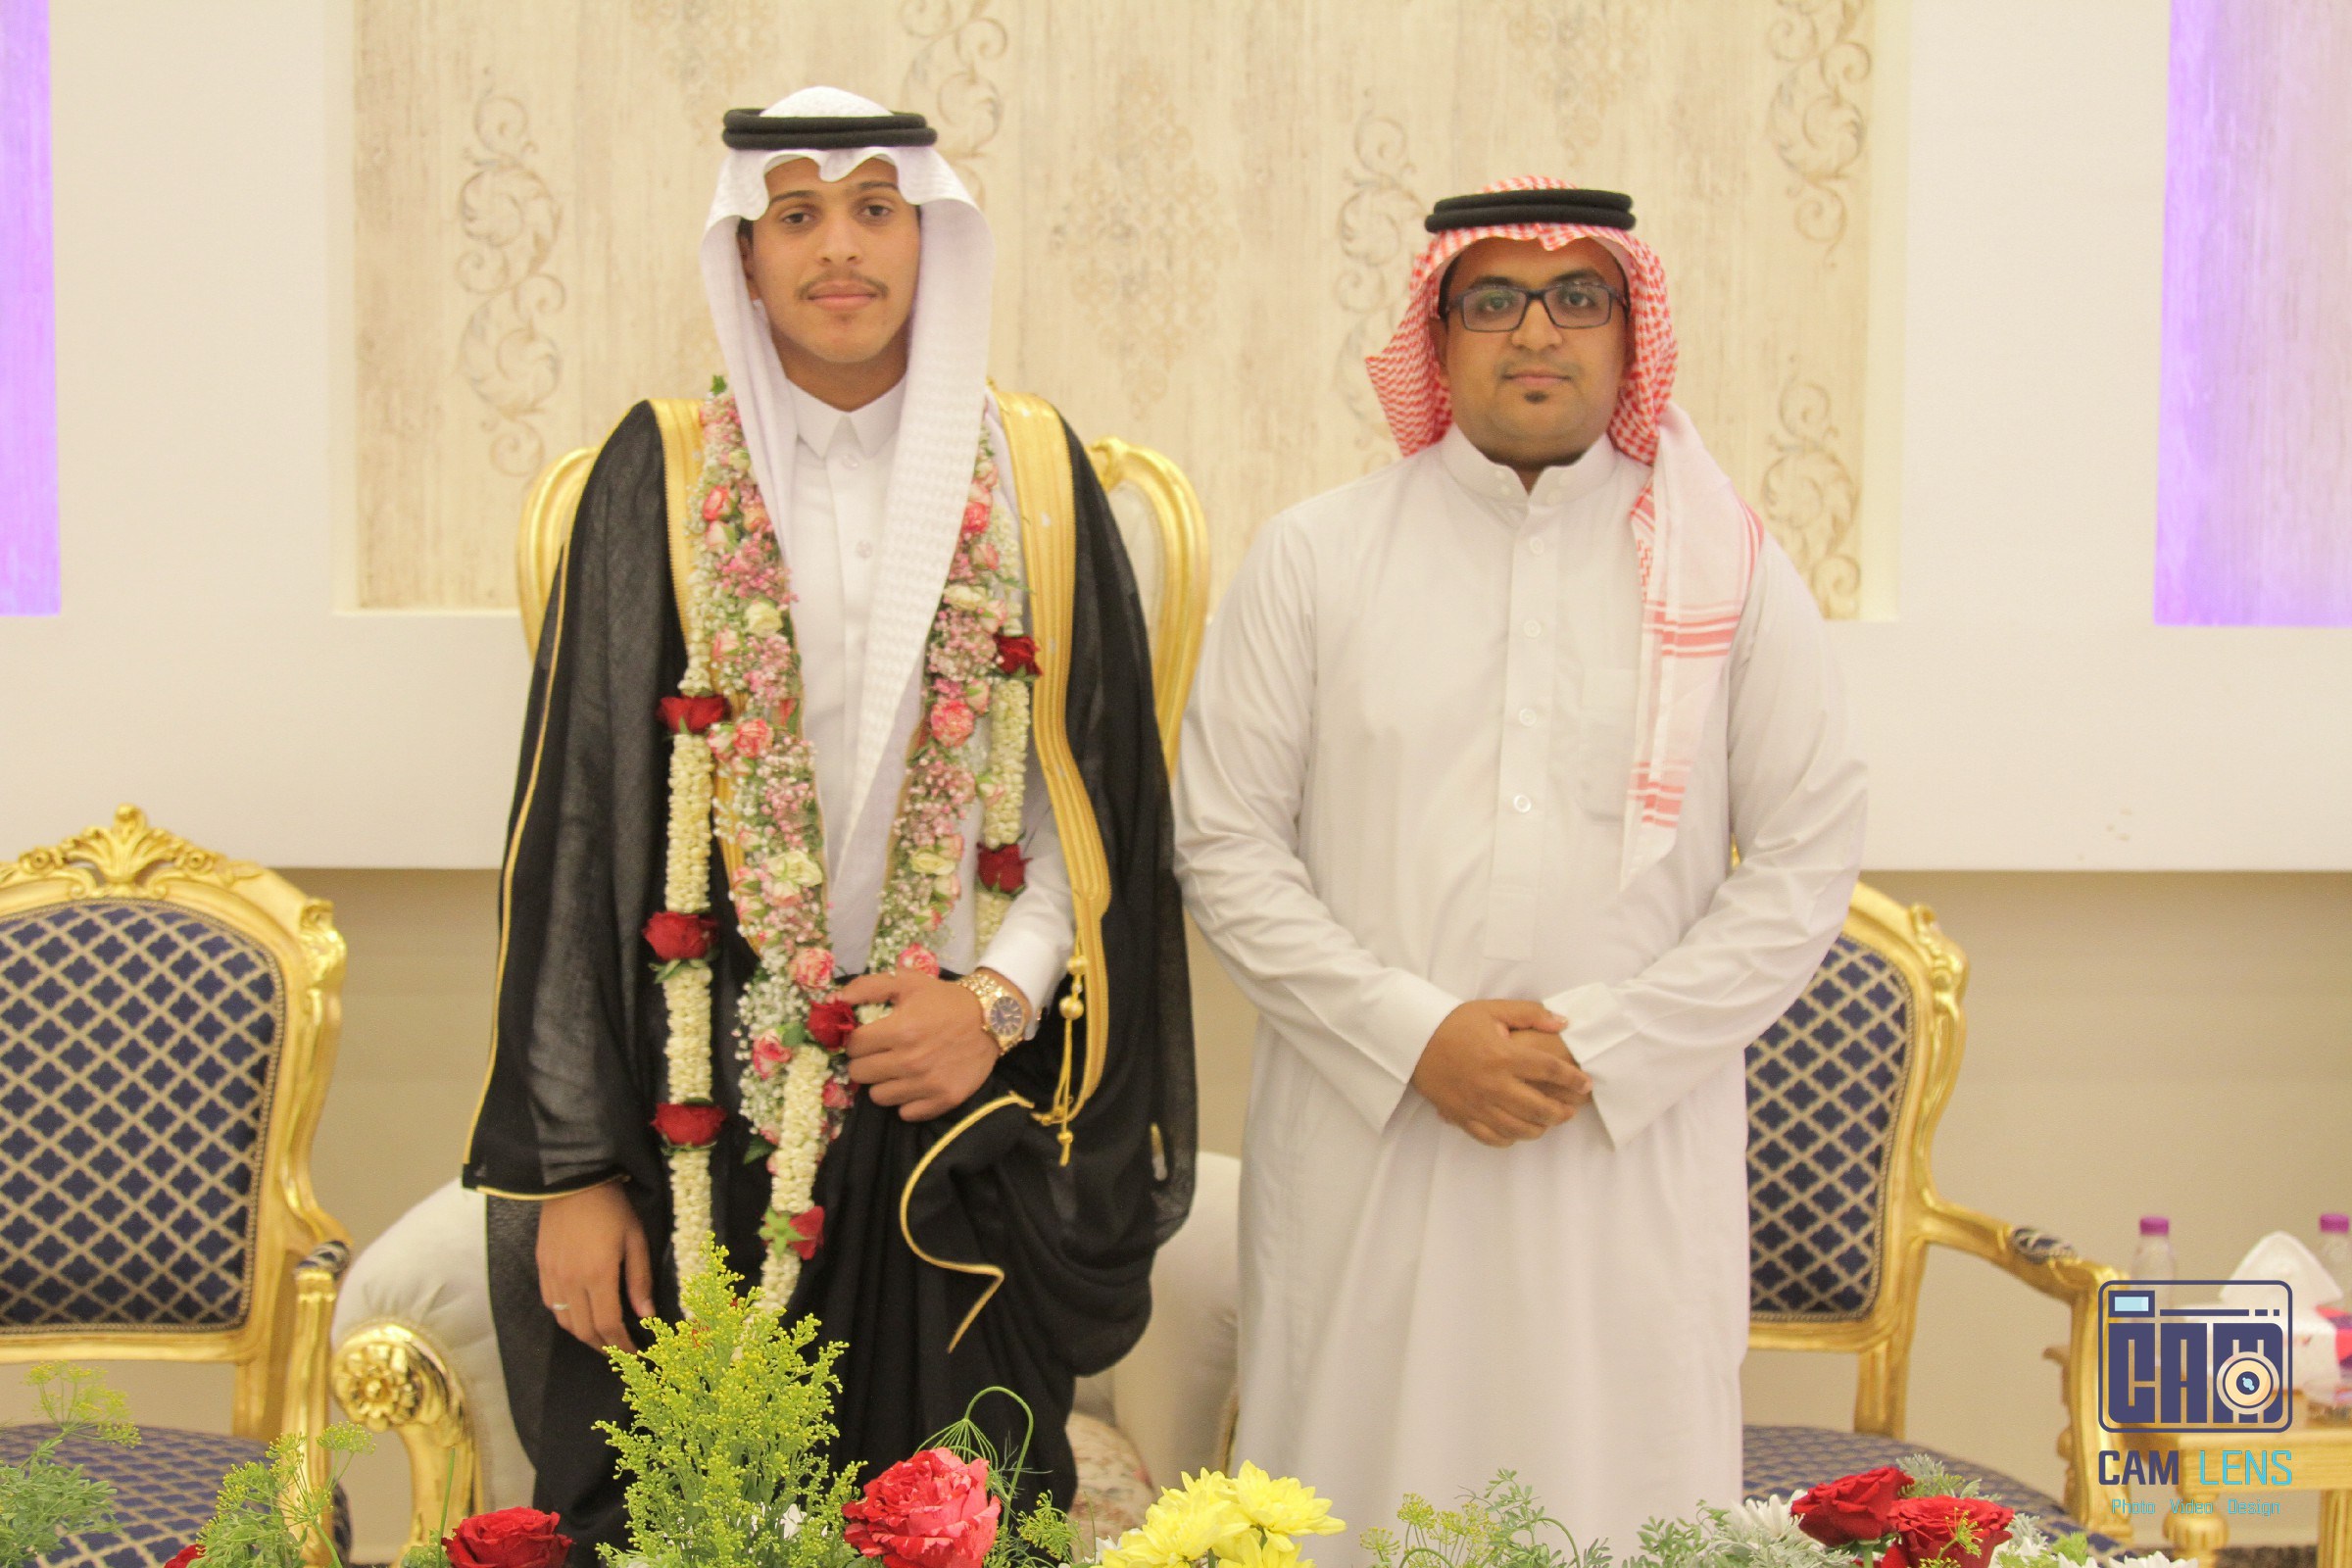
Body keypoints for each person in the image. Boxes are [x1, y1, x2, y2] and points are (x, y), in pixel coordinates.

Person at [465, 86, 1194, 1557]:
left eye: (875, 209)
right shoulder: (663, 472)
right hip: (699, 1113)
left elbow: (1094, 807)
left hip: (957, 1108)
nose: (839, 248)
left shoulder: (1035, 474)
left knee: (954, 1522)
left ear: (933, 240)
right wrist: (578, 1173)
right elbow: (580, 831)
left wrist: (993, 1004)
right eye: (795, 214)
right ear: (744, 254)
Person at [1175, 179, 1867, 1550]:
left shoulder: (1728, 567)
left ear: (1628, 331)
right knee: (1360, 1501)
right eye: (1493, 299)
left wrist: (1605, 1048)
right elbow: (1224, 844)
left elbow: (1807, 856)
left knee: (1616, 1502)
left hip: (1627, 1160)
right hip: (1374, 1147)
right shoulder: (1314, 557)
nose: (1536, 331)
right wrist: (1417, 1037)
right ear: (1437, 336)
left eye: (1577, 297)